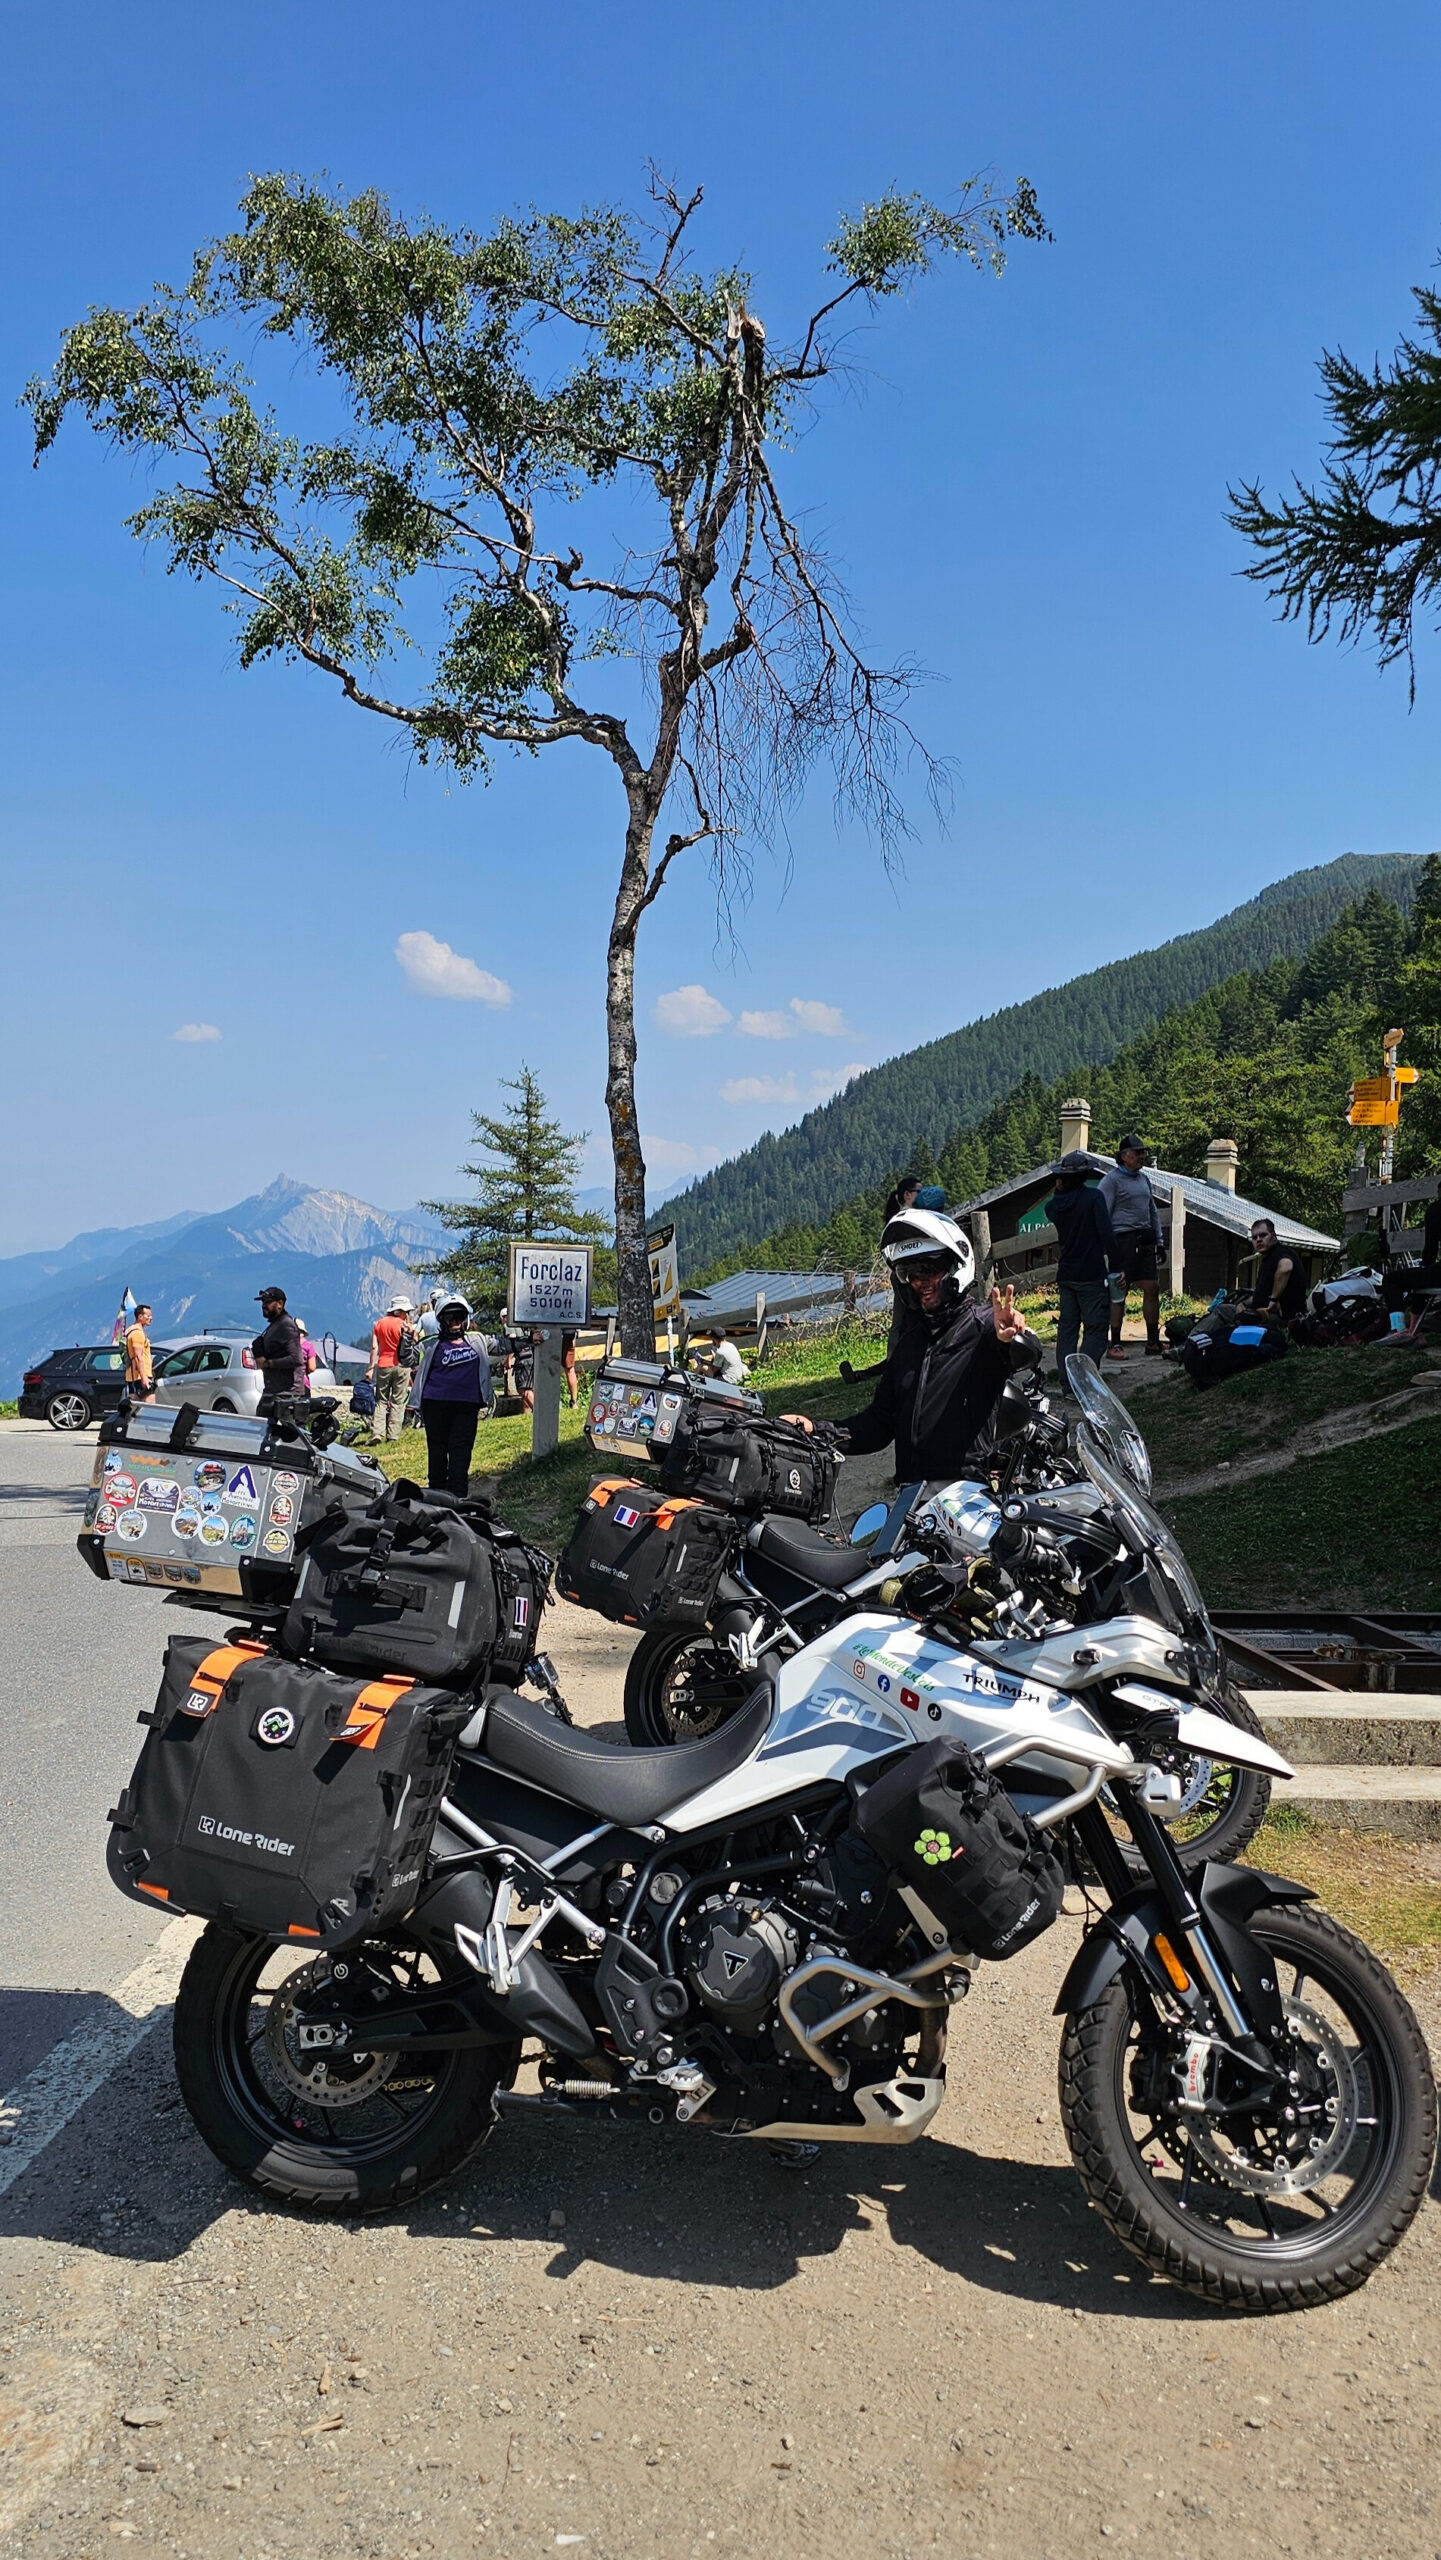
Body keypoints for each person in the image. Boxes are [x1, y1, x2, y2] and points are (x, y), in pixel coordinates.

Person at [784, 1208, 1038, 1480]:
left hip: (965, 1489)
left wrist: (1013, 1338)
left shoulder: (984, 1326)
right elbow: (879, 1424)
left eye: (927, 1269)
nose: (919, 1282)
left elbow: (1024, 1351)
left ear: (956, 1267)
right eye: (908, 1273)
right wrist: (815, 1429)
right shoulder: (909, 1344)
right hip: (912, 1497)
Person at [1046, 1153, 1115, 1381]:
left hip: (1066, 1273)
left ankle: (1066, 1383)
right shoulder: (1094, 1198)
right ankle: (1084, 1381)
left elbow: (1056, 1201)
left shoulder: (1054, 1206)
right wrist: (1117, 1264)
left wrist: (1059, 1189)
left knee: (1067, 1328)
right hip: (1092, 1273)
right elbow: (1106, 1234)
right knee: (1095, 1328)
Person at [415, 1295, 492, 1495]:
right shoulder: (430, 1344)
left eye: (459, 1317)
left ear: (465, 1319)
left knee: (461, 1450)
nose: (455, 1322)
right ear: (441, 1321)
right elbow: (407, 1358)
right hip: (435, 1404)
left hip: (467, 1404)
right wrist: (406, 1338)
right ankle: (436, 1493)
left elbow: (503, 1345)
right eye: (450, 1317)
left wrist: (529, 1339)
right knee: (437, 1449)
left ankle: (458, 1495)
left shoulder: (478, 1340)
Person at [1099, 1136, 1164, 1361]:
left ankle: (1153, 1341)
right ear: (1124, 1155)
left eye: (1142, 1153)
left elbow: (1152, 1212)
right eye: (1136, 1153)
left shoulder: (1144, 1179)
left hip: (1145, 1240)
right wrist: (1108, 1248)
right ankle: (1114, 1343)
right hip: (1122, 1241)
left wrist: (1160, 1241)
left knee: (1152, 1287)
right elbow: (1102, 1215)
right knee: (1119, 1291)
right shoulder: (1111, 1181)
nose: (1141, 1157)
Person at [1237, 1218, 1307, 1325]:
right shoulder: (1267, 1259)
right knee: (1227, 1309)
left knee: (1222, 1312)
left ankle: (1202, 1338)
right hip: (1261, 1312)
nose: (1258, 1240)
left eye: (1263, 1235)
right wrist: (1243, 1304)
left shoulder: (1282, 1252)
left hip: (1284, 1319)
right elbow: (1259, 1294)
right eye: (1254, 1237)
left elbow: (1286, 1267)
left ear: (1274, 1237)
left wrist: (1273, 1300)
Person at [368, 1294, 418, 1443]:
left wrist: (370, 1368)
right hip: (402, 1366)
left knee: (381, 1400)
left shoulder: (378, 1324)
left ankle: (377, 1432)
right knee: (397, 1400)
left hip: (384, 1365)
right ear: (401, 1311)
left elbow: (374, 1347)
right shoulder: (404, 1325)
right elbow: (414, 1342)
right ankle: (393, 1435)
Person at [251, 1287, 307, 1412]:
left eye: (268, 1302)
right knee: (262, 1426)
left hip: (286, 1393)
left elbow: (296, 1359)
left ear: (280, 1304)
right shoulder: (275, 1325)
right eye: (263, 1302)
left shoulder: (286, 1325)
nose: (264, 1306)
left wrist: (267, 1363)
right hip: (274, 1390)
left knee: (280, 1430)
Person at [122, 1303, 155, 1404]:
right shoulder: (137, 1333)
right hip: (139, 1376)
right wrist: (144, 1378)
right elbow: (138, 1356)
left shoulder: (130, 1330)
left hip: (132, 1375)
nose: (151, 1318)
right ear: (140, 1317)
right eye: (148, 1316)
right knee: (150, 1404)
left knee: (136, 1406)